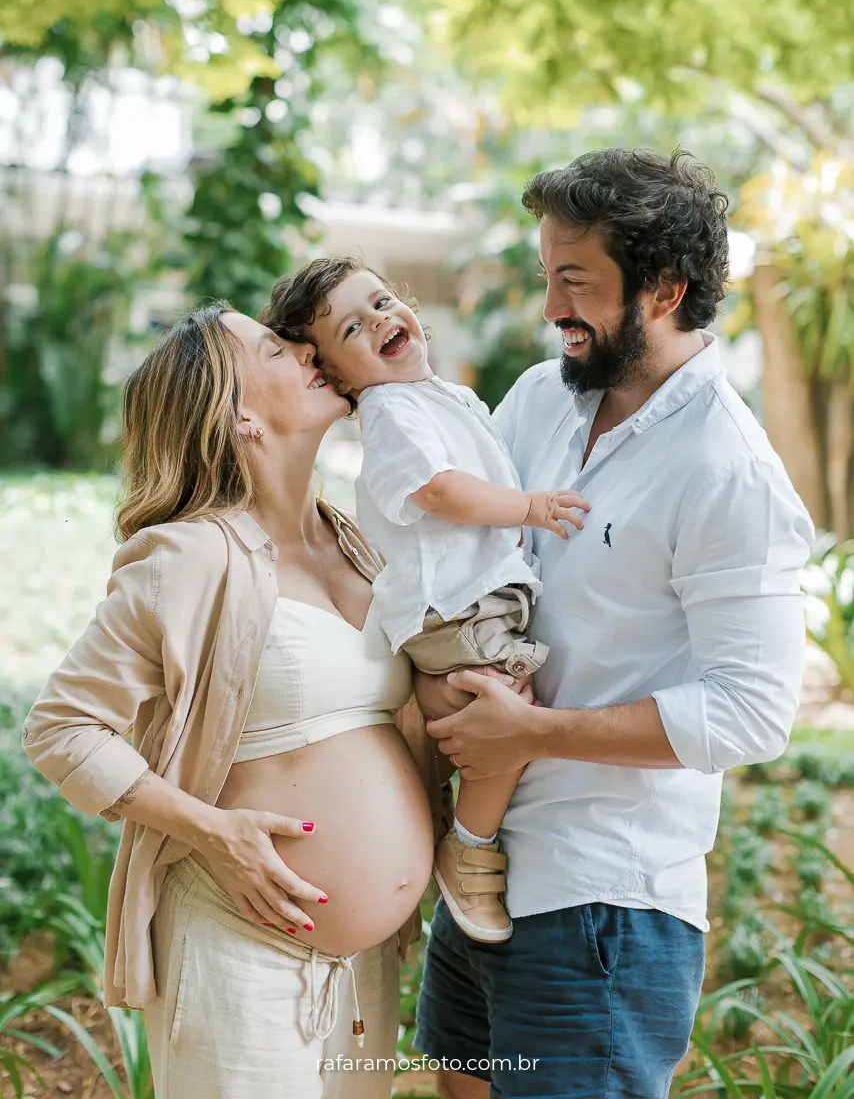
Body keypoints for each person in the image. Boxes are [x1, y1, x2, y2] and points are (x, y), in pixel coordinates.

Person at [411, 149, 814, 1098]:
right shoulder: (542, 398)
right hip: (477, 876)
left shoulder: (729, 470)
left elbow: (753, 713)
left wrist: (532, 733)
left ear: (666, 289)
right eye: (548, 275)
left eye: (577, 281)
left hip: (601, 911)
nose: (553, 306)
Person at [22, 303, 441, 1099]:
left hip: (361, 967)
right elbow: (64, 728)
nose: (310, 351)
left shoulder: (353, 541)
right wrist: (216, 832)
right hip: (235, 943)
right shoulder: (188, 553)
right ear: (238, 413)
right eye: (276, 349)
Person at [261, 261, 588, 945]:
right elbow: (437, 491)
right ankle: (469, 847)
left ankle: (449, 821)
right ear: (337, 377)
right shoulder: (390, 413)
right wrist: (529, 507)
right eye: (354, 326)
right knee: (508, 719)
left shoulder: (442, 397)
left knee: (499, 715)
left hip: (476, 599)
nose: (380, 319)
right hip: (455, 608)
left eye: (380, 301)